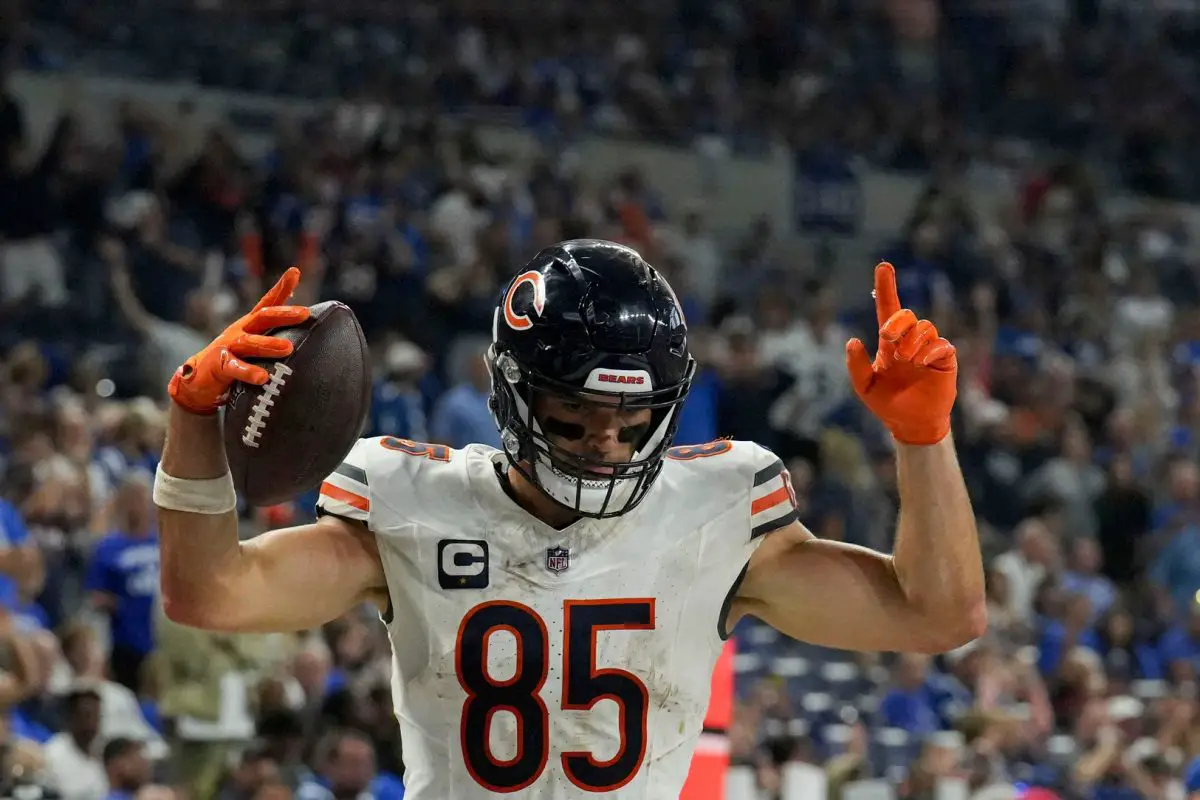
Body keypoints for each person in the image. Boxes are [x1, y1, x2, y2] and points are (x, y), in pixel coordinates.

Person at [154, 244, 985, 798]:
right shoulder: (412, 502)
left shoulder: (717, 513)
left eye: (631, 421)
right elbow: (212, 595)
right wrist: (194, 418)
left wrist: (924, 439)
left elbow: (939, 613)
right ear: (513, 393)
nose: (605, 444)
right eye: (575, 415)